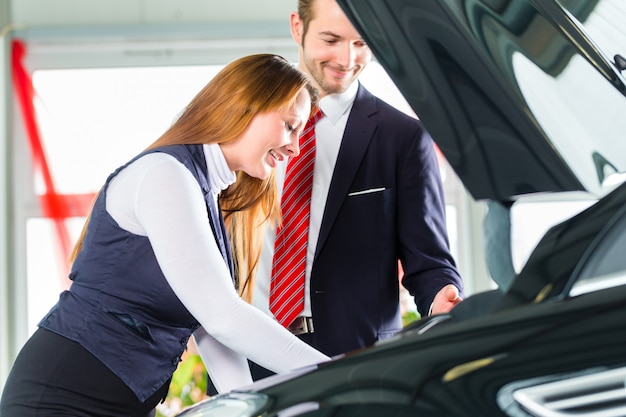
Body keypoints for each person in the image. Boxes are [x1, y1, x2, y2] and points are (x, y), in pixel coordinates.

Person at [0, 53, 330, 417]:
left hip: (119, 403)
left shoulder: (206, 195)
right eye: (289, 126)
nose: (295, 146)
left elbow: (210, 327)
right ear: (245, 106)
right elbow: (224, 317)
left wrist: (253, 405)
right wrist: (339, 377)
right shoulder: (165, 174)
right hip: (62, 398)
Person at [248, 0, 465, 379]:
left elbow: (428, 261)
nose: (347, 59)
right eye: (331, 40)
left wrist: (439, 300)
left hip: (356, 362)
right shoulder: (244, 124)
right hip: (248, 351)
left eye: (361, 43)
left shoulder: (404, 139)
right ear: (298, 27)